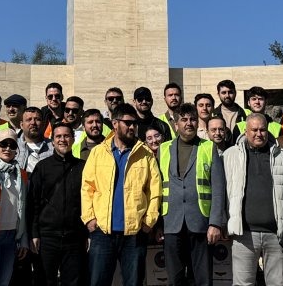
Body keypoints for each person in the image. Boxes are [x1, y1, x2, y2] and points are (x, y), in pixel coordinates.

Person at [81, 103, 162, 286]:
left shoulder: (145, 154)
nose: (133, 127)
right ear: (115, 124)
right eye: (128, 123)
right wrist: (89, 219)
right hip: (102, 233)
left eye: (135, 123)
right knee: (98, 282)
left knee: (133, 282)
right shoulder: (98, 153)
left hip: (134, 235)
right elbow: (87, 187)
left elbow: (154, 190)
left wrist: (149, 221)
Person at [223, 114, 283, 286]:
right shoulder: (230, 155)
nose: (259, 134)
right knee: (243, 284)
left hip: (277, 234)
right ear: (246, 131)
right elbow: (222, 192)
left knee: (277, 283)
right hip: (244, 235)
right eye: (254, 130)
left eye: (262, 129)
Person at [158, 103, 227, 286]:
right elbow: (156, 189)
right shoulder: (163, 149)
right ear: (176, 124)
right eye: (184, 119)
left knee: (202, 279)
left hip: (201, 223)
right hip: (171, 224)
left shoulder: (208, 147)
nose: (189, 123)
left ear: (198, 123)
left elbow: (219, 189)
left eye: (193, 119)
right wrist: (158, 223)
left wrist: (215, 223)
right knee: (175, 279)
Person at [28, 123, 88, 286]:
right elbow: (33, 202)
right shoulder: (42, 167)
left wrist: (87, 234)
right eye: (58, 136)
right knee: (44, 281)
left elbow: (89, 202)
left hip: (75, 237)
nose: (63, 140)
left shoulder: (82, 167)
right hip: (47, 237)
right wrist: (34, 233)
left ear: (73, 139)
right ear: (52, 141)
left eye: (66, 136)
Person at [0, 130, 29, 286]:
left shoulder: (22, 175)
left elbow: (24, 209)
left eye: (12, 145)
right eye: (3, 144)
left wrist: (24, 239)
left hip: (12, 235)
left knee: (4, 280)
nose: (7, 149)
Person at [17, 107, 53, 173]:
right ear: (21, 125)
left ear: (43, 124)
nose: (33, 122)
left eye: (37, 119)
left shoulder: (53, 147)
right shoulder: (13, 146)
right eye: (29, 119)